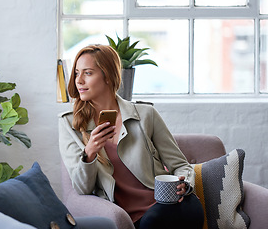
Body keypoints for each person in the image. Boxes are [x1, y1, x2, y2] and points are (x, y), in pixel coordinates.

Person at [58, 44, 204, 229]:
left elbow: (180, 165)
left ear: (108, 76)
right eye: (77, 73)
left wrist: (185, 186)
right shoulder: (69, 125)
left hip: (169, 204)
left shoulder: (146, 114)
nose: (79, 80)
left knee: (161, 219)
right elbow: (82, 188)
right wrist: (90, 152)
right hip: (129, 218)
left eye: (87, 73)